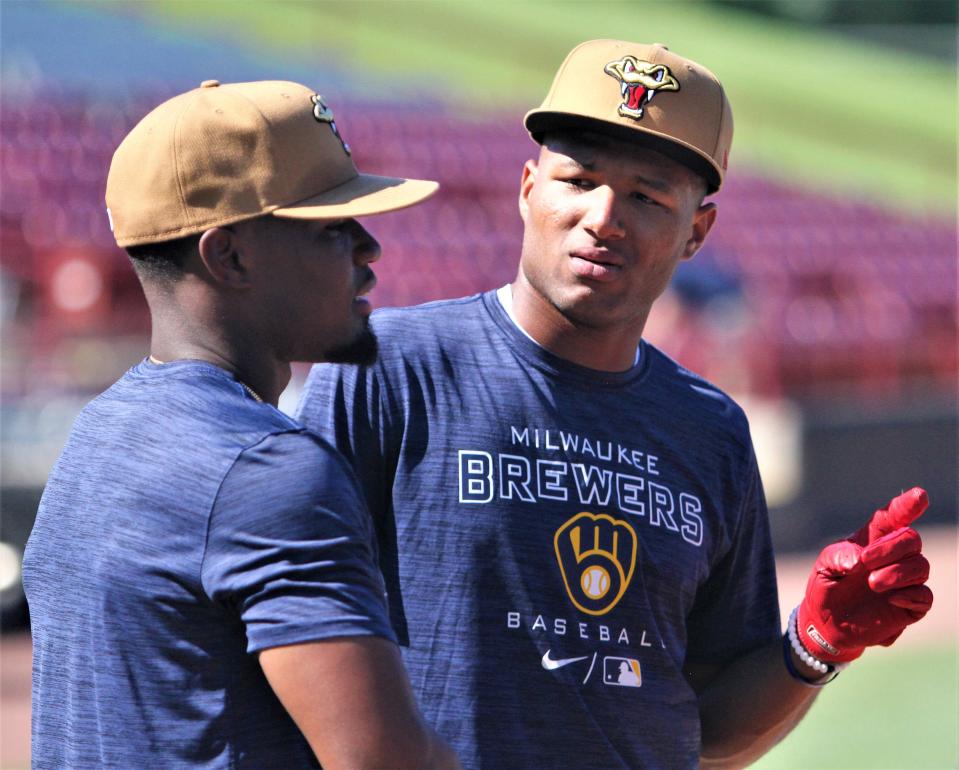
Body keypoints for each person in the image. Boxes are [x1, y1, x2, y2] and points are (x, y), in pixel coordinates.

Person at [295, 40, 935, 769]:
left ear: (697, 231)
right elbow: (287, 638)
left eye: (647, 196)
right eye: (578, 179)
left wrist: (812, 647)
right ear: (528, 187)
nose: (603, 216)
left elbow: (711, 731)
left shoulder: (710, 430)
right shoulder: (387, 365)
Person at [22, 79, 460, 769]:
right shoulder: (266, 467)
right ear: (228, 256)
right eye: (332, 229)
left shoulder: (101, 429)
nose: (369, 249)